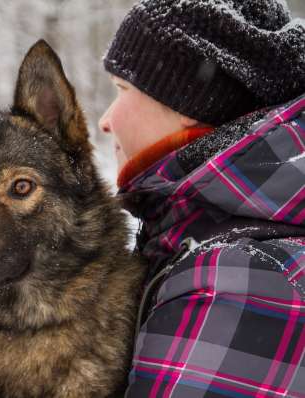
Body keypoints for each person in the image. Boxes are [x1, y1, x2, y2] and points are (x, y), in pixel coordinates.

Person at [99, 0, 305, 396]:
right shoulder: (210, 234)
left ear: (189, 106)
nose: (105, 120)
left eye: (121, 89)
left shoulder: (239, 280)